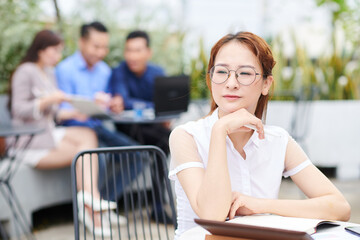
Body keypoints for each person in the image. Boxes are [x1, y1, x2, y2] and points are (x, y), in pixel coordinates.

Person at [168, 31, 351, 238]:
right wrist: (219, 132)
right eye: (221, 72)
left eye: (245, 73)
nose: (231, 83)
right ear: (210, 80)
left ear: (266, 84)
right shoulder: (186, 136)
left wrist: (258, 205)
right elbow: (212, 216)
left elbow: (339, 207)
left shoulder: (277, 140)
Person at [9, 29, 116, 236]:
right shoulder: (26, 71)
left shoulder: (47, 72)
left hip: (48, 133)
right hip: (29, 140)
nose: (58, 57)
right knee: (84, 152)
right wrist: (48, 100)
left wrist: (77, 111)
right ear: (41, 49)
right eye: (55, 51)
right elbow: (18, 110)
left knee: (88, 136)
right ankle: (90, 205)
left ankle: (89, 198)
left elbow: (55, 112)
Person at [55, 21, 139, 201]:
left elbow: (106, 103)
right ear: (81, 42)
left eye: (105, 47)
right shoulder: (65, 70)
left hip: (99, 127)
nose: (101, 52)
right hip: (75, 129)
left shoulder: (104, 70)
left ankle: (106, 202)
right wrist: (88, 105)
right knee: (97, 158)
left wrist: (113, 104)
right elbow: (60, 110)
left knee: (139, 155)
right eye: (96, 46)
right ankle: (92, 210)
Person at [108, 30, 170, 155]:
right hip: (128, 126)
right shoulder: (119, 71)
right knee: (164, 140)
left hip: (152, 124)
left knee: (172, 138)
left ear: (148, 52)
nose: (132, 56)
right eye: (129, 50)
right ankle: (159, 174)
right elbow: (123, 101)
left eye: (137, 51)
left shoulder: (157, 73)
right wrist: (153, 106)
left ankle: (159, 174)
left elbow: (165, 103)